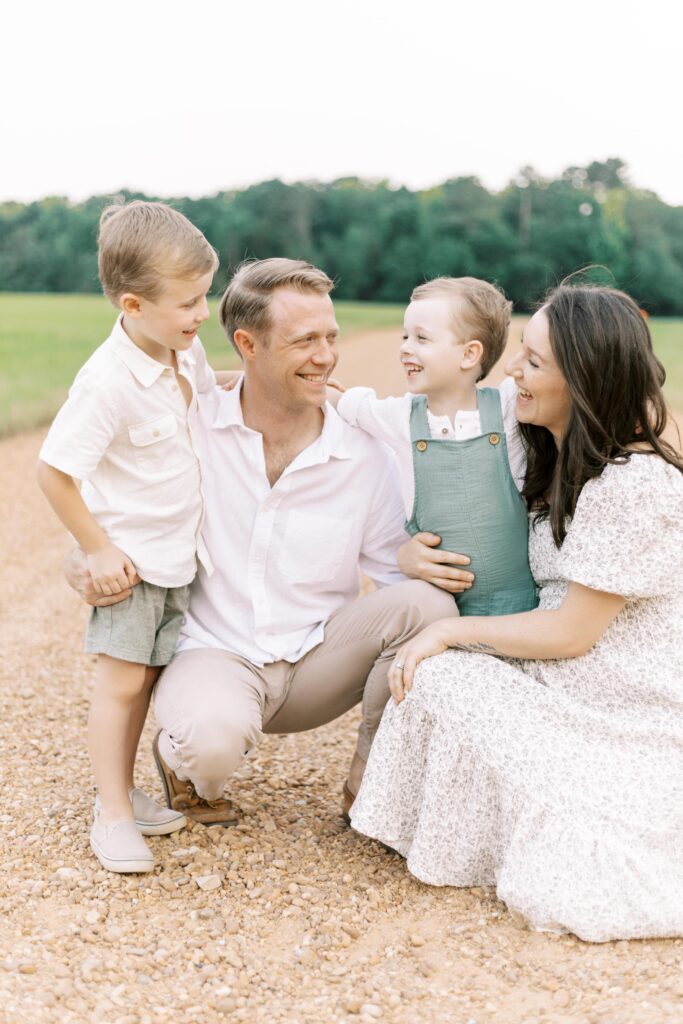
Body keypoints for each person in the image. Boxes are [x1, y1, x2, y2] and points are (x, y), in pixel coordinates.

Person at [65, 258, 458, 831]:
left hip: (318, 661)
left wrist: (410, 559)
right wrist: (81, 557)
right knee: (211, 744)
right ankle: (182, 764)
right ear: (248, 344)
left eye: (330, 338)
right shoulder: (192, 428)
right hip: (214, 652)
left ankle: (371, 790)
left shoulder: (364, 450)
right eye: (304, 341)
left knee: (430, 607)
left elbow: (395, 576)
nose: (325, 356)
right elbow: (111, 509)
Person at [350, 284, 683, 942]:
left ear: (581, 379)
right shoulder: (550, 455)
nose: (510, 372)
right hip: (564, 678)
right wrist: (410, 558)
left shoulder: (632, 483)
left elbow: (569, 631)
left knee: (436, 668)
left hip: (621, 705)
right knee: (433, 675)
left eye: (531, 362)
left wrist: (447, 629)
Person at [38, 200, 221, 873]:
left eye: (205, 294)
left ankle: (127, 793)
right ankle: (111, 813)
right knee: (120, 685)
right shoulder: (107, 383)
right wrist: (96, 548)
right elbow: (54, 472)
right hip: (132, 566)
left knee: (148, 681)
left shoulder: (184, 350)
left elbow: (203, 397)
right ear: (133, 305)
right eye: (189, 301)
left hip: (180, 556)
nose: (203, 312)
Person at [329, 276, 537, 615]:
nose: (405, 347)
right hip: (441, 617)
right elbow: (348, 404)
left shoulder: (507, 410)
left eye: (421, 338)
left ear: (470, 354)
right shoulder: (399, 418)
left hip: (521, 611)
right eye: (405, 336)